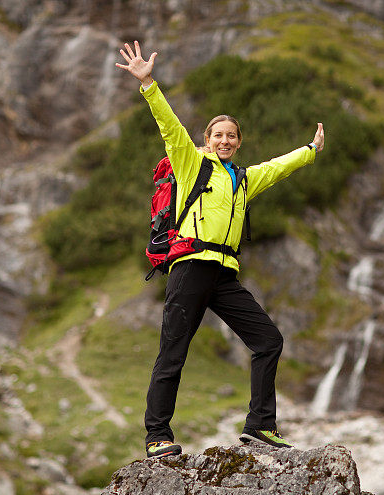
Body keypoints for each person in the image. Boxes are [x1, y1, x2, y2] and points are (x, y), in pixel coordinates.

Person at [116, 41, 325, 458]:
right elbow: (169, 126)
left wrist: (311, 151)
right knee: (173, 353)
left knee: (268, 341)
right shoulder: (191, 162)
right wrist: (149, 85)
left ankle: (260, 426)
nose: (225, 140)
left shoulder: (244, 179)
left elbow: (276, 167)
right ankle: (157, 436)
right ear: (207, 140)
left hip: (224, 276)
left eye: (232, 136)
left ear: (239, 142)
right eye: (218, 135)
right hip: (190, 268)